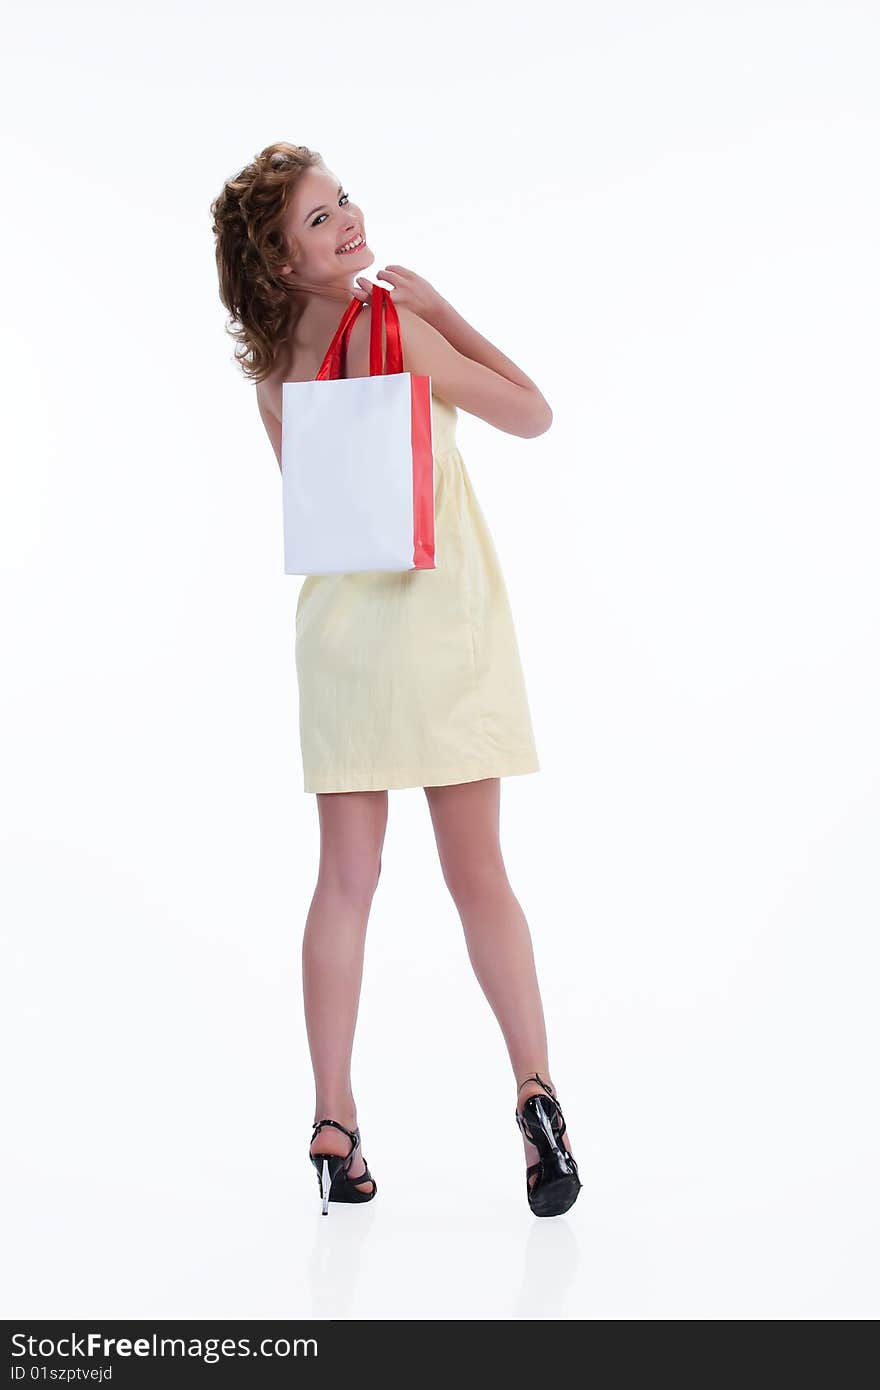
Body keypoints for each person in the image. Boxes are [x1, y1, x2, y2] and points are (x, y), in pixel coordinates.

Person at [210, 143, 581, 1217]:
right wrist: (445, 310)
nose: (350, 222)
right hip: (443, 630)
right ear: (283, 260)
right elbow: (531, 410)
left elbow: (317, 510)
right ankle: (536, 1099)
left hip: (339, 642)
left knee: (343, 884)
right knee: (481, 882)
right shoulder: (403, 332)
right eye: (320, 221)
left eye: (343, 201)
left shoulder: (273, 372)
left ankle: (333, 1122)